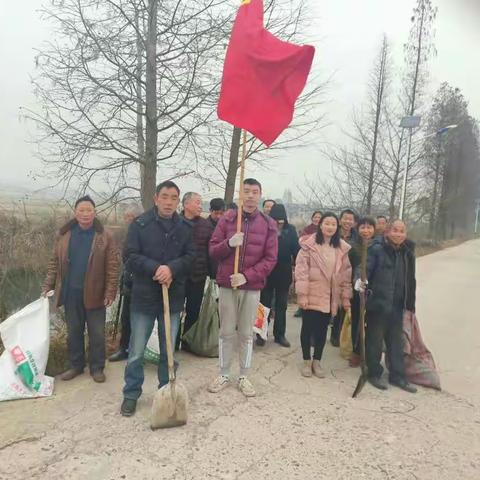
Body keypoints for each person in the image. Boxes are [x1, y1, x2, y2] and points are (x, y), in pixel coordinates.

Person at [120, 181, 195, 417]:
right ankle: (131, 393)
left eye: (174, 197)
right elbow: (130, 256)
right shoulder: (140, 225)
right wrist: (156, 269)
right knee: (137, 350)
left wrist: (171, 269)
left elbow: (191, 256)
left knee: (169, 350)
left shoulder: (185, 227)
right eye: (165, 196)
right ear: (156, 199)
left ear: (178, 201)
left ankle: (166, 391)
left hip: (171, 298)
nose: (169, 202)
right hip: (143, 297)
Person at [207, 178, 278, 397]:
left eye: (254, 192)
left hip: (251, 286)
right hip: (227, 284)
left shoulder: (268, 224)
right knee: (226, 331)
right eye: (246, 191)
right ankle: (224, 372)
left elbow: (270, 258)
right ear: (241, 194)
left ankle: (244, 375)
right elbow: (212, 250)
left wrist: (246, 276)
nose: (249, 196)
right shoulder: (228, 219)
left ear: (260, 195)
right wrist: (229, 244)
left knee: (247, 333)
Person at [42, 196, 120, 383]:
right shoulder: (64, 235)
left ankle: (97, 367)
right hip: (70, 293)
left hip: (95, 294)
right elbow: (54, 264)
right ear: (75, 213)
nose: (85, 214)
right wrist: (47, 286)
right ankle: (76, 366)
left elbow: (113, 267)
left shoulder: (104, 236)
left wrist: (110, 292)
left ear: (94, 212)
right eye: (81, 210)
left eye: (89, 210)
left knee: (97, 333)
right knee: (74, 332)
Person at [357, 219, 417, 393]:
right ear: (387, 232)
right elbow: (363, 269)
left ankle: (398, 376)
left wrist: (410, 305)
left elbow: (410, 280)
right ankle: (373, 373)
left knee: (396, 342)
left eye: (402, 230)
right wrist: (360, 281)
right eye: (395, 230)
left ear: (405, 234)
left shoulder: (407, 252)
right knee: (374, 341)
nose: (398, 234)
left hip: (398, 305)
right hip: (378, 303)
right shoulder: (376, 249)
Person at [295, 212, 352, 378]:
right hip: (312, 294)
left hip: (329, 297)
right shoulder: (309, 246)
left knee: (322, 331)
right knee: (307, 328)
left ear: (337, 227)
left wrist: (345, 297)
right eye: (327, 223)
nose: (330, 227)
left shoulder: (341, 248)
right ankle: (306, 361)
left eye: (333, 224)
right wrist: (302, 295)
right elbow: (301, 271)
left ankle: (317, 361)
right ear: (320, 225)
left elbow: (346, 275)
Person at [258, 204, 300, 348]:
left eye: (281, 221)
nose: (278, 224)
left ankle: (280, 334)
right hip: (266, 272)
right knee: (264, 305)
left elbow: (297, 252)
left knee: (282, 306)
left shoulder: (291, 230)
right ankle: (261, 333)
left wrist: (298, 268)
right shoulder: (264, 229)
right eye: (276, 220)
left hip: (284, 272)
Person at [180, 192, 215, 350]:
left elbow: (211, 252)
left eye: (201, 203)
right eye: (197, 202)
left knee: (193, 310)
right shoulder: (175, 223)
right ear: (186, 204)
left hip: (198, 275)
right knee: (175, 311)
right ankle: (172, 342)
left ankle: (189, 341)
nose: (201, 206)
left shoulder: (206, 225)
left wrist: (214, 274)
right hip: (178, 276)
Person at [109, 205, 144, 362]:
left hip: (142, 284)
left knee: (140, 319)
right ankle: (124, 348)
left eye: (128, 217)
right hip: (128, 282)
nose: (126, 220)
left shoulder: (144, 232)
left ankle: (138, 350)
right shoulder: (129, 232)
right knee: (126, 318)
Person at [347, 216, 376, 367]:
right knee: (357, 322)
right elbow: (347, 269)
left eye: (369, 227)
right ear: (358, 229)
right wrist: (354, 283)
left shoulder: (378, 246)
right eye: (363, 227)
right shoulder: (352, 247)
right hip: (357, 290)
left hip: (374, 291)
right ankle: (356, 351)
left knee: (372, 323)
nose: (366, 230)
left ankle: (369, 352)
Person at [330, 208, 359, 346]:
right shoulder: (333, 234)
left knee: (344, 305)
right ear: (340, 219)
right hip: (332, 274)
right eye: (345, 218)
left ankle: (338, 335)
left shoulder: (357, 238)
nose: (348, 221)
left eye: (350, 219)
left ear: (354, 222)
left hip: (349, 275)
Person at [207, 198, 226, 279]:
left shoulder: (227, 226)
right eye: (216, 213)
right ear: (210, 210)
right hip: (208, 267)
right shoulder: (204, 226)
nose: (218, 216)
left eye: (221, 213)